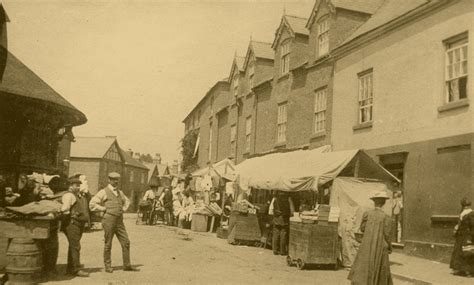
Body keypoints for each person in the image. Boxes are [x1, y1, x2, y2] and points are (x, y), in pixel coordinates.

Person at [89, 172, 138, 273]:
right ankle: (108, 265)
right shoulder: (103, 192)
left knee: (126, 242)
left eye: (117, 180)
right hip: (109, 220)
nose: (115, 182)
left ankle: (127, 265)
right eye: (113, 179)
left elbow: (127, 201)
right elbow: (92, 204)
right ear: (109, 180)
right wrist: (103, 208)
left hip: (119, 221)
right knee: (108, 244)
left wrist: (123, 209)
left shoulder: (120, 192)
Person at [348, 191, 393, 285]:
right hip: (380, 246)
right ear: (384, 203)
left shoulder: (367, 214)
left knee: (364, 265)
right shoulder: (386, 217)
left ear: (374, 202)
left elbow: (362, 228)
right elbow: (387, 235)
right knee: (381, 269)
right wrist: (389, 247)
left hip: (367, 245)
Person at [60, 176, 90, 277]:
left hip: (78, 224)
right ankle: (75, 269)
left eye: (79, 185)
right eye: (76, 186)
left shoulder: (79, 196)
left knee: (73, 246)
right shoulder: (69, 195)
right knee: (75, 246)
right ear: (70, 186)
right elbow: (65, 209)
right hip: (72, 224)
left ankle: (71, 268)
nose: (78, 187)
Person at [450, 198, 474, 277]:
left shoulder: (470, 214)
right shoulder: (466, 213)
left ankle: (468, 272)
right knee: (461, 253)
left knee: (466, 253)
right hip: (462, 236)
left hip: (466, 237)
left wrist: (471, 237)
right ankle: (461, 270)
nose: (466, 207)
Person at [269, 191, 294, 255]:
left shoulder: (275, 198)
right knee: (283, 235)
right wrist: (290, 215)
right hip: (284, 219)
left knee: (276, 234)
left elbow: (270, 210)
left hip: (276, 218)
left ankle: (275, 250)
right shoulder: (288, 198)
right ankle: (282, 251)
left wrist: (275, 214)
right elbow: (292, 210)